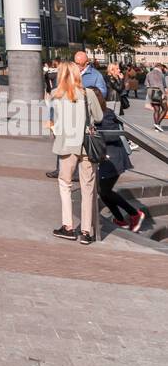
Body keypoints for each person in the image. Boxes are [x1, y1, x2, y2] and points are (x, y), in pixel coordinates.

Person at [49, 60, 103, 243]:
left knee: (65, 184)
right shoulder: (88, 94)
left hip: (67, 145)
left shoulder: (55, 95)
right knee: (88, 187)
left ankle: (68, 226)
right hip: (87, 145)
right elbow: (99, 116)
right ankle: (87, 232)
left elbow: (54, 122)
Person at [97, 109, 145, 231]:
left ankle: (134, 214)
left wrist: (94, 130)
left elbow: (112, 134)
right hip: (108, 158)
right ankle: (121, 220)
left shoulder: (105, 114)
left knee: (104, 190)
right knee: (102, 191)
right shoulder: (100, 113)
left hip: (113, 158)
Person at [145, 63, 167, 130]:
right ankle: (157, 124)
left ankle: (157, 126)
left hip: (151, 92)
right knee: (165, 108)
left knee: (156, 110)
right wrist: (164, 94)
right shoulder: (161, 74)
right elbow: (162, 85)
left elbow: (146, 84)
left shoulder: (148, 74)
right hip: (159, 92)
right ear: (160, 67)